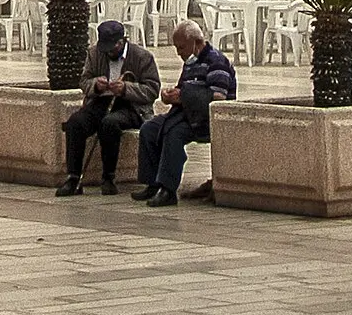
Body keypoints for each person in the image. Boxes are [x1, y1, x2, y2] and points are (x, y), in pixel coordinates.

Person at [56, 16, 162, 195]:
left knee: (109, 123)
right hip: (101, 101)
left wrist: (126, 89)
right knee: (75, 122)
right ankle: (73, 177)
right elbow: (84, 81)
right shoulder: (95, 53)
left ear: (121, 42)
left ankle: (108, 177)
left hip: (131, 106)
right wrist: (96, 85)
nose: (108, 52)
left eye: (112, 47)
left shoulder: (142, 57)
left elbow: (152, 90)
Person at [136, 21, 238, 206]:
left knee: (173, 134)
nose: (179, 53)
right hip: (185, 114)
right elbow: (182, 89)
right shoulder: (190, 63)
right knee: (149, 128)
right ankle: (153, 182)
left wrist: (183, 97)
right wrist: (169, 96)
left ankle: (168, 189)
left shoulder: (217, 62)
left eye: (181, 47)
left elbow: (218, 97)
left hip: (204, 119)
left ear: (196, 42)